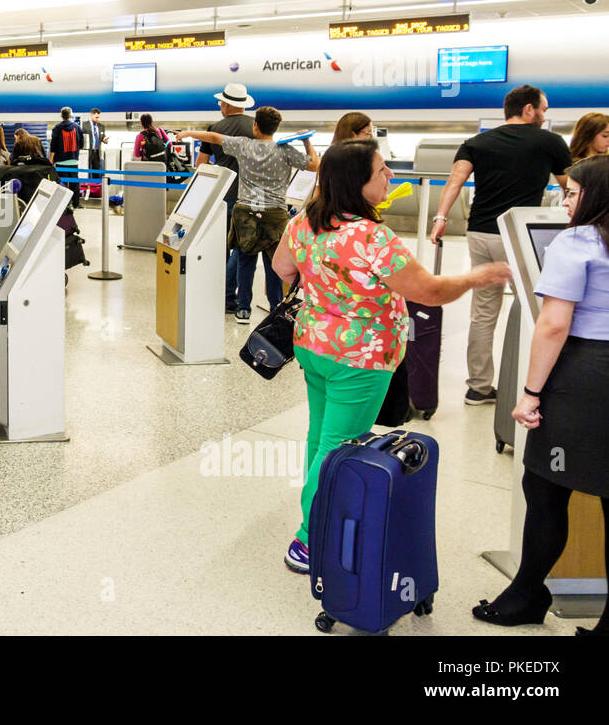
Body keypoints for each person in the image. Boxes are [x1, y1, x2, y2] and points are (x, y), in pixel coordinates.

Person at [272, 139, 511, 574]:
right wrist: (478, 276)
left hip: (314, 345)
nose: (390, 177)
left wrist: (328, 286)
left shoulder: (304, 222)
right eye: (382, 171)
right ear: (358, 182)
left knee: (319, 438)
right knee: (338, 448)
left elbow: (282, 269)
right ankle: (309, 539)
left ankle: (316, 520)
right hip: (359, 358)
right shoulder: (371, 236)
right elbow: (429, 291)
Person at [473, 154, 609, 633]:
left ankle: (527, 594)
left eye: (573, 193)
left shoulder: (577, 240)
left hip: (587, 375)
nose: (565, 201)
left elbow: (553, 324)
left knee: (545, 485)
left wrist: (530, 394)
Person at [431, 85, 572, 405]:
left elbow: (455, 181)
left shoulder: (477, 142)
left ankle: (478, 387)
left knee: (483, 312)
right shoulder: (550, 142)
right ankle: (536, 384)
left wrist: (440, 218)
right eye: (542, 110)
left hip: (480, 233)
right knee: (541, 308)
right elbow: (571, 188)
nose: (544, 116)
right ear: (528, 110)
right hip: (521, 234)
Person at [178, 107, 320, 323]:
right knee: (275, 263)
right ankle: (276, 307)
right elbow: (314, 165)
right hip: (275, 214)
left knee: (245, 261)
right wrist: (307, 142)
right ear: (276, 128)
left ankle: (243, 309)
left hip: (246, 212)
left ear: (256, 125)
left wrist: (188, 134)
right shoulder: (285, 150)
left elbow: (214, 137)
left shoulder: (243, 145)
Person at [196, 84, 257, 314]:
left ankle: (221, 295)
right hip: (251, 197)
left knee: (221, 248)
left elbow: (200, 165)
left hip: (223, 197)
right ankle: (234, 300)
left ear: (228, 104)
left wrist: (220, 168)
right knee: (242, 249)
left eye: (221, 102)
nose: (220, 106)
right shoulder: (255, 126)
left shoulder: (214, 128)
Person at [49, 107, 84, 207]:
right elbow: (81, 144)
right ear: (70, 115)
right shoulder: (77, 127)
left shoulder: (57, 128)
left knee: (62, 183)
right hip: (73, 160)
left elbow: (53, 145)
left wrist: (51, 158)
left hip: (60, 160)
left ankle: (62, 204)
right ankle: (76, 203)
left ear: (61, 116)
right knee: (74, 183)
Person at [85, 108, 108, 177]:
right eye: (96, 117)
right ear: (91, 115)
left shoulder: (101, 127)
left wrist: (104, 140)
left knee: (96, 172)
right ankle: (87, 186)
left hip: (97, 152)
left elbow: (103, 137)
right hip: (88, 152)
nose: (98, 119)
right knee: (86, 171)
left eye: (99, 117)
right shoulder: (84, 125)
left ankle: (96, 186)